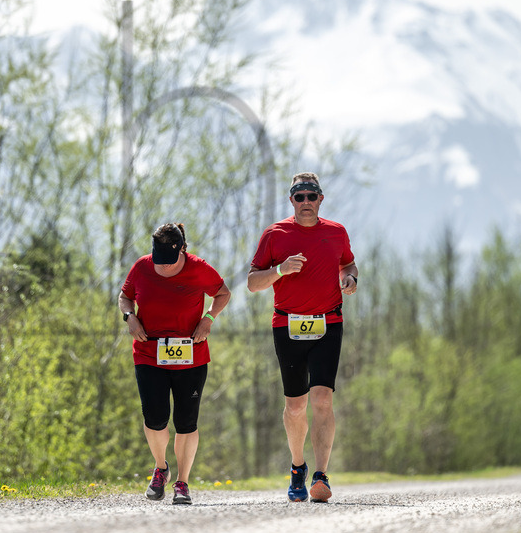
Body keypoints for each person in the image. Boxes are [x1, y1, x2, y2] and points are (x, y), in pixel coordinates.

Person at [247, 172, 357, 503]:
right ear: (291, 200)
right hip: (288, 325)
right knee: (296, 405)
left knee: (323, 398)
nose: (306, 202)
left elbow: (348, 265)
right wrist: (280, 270)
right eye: (299, 196)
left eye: (312, 196)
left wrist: (350, 280)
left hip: (328, 323)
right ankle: (298, 467)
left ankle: (322, 475)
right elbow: (253, 283)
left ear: (321, 199)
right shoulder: (275, 235)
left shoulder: (336, 232)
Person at [119, 222, 231, 505]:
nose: (164, 267)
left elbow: (223, 293)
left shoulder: (199, 268)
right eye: (160, 261)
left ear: (182, 249)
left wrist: (208, 319)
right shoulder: (142, 267)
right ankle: (161, 468)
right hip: (148, 353)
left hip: (191, 354)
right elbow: (124, 297)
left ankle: (183, 482)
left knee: (186, 422)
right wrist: (129, 317)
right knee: (155, 419)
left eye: (170, 262)